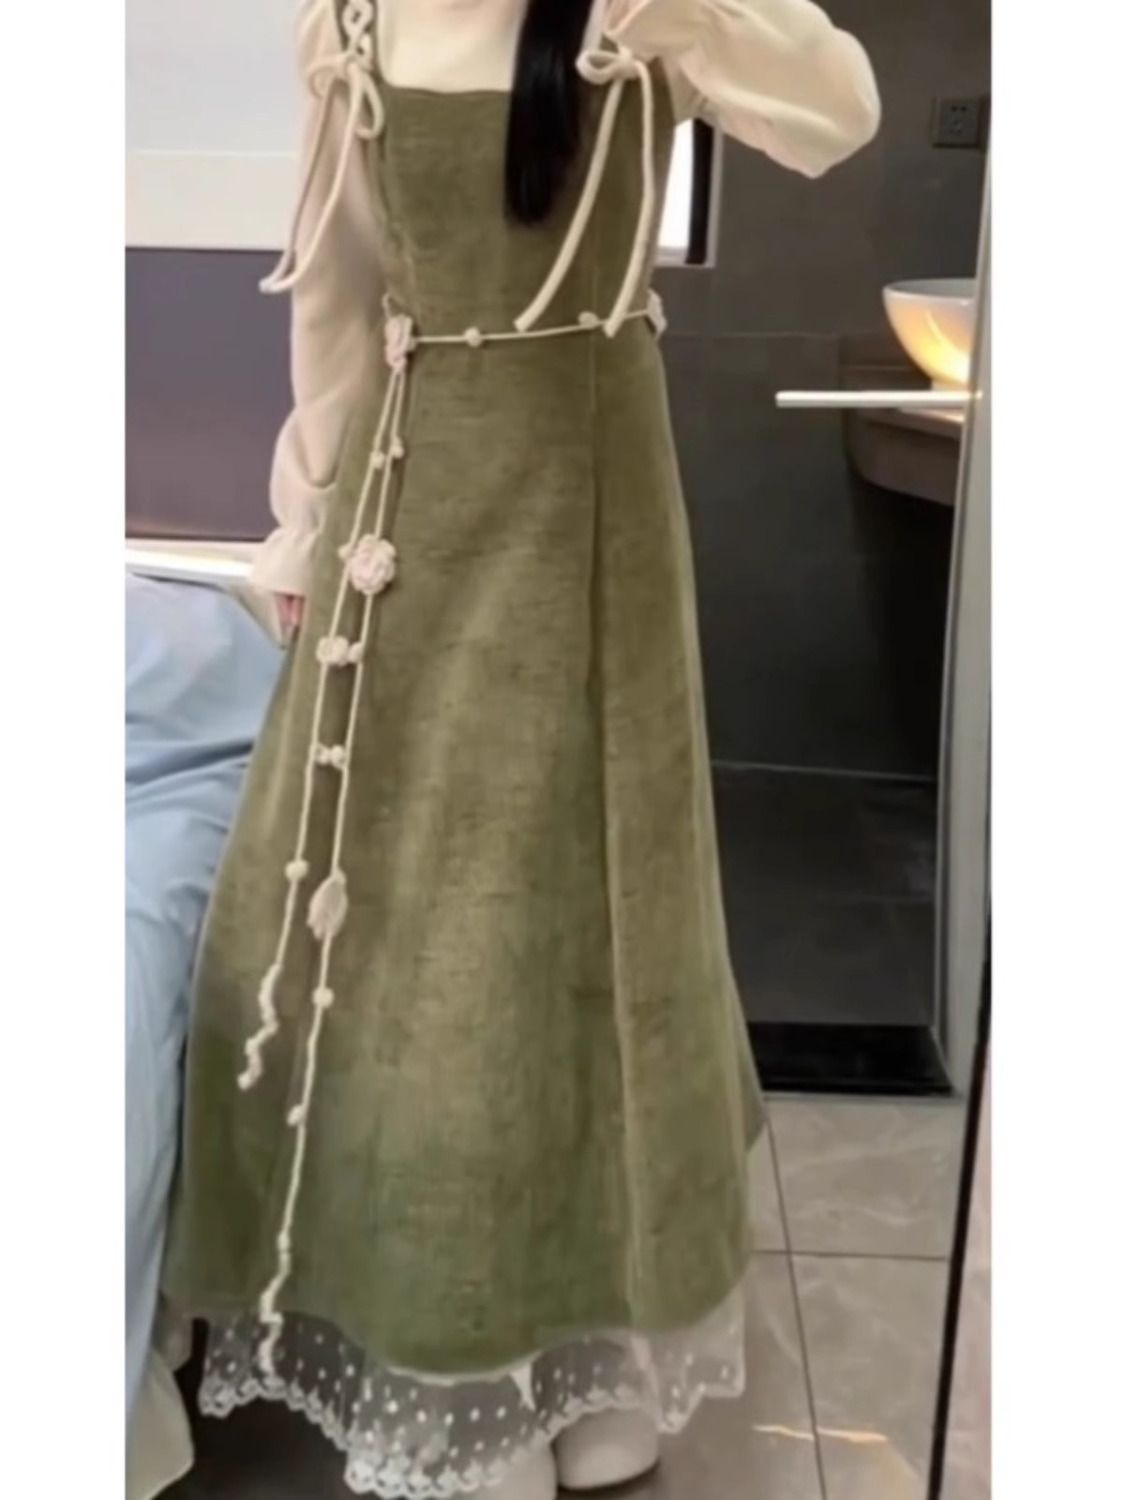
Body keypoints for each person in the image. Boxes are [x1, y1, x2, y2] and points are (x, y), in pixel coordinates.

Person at [162, 2, 879, 1496]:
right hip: (410, 514)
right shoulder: (354, 25)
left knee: (599, 921)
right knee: (437, 935)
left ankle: (598, 1354)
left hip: (596, 508)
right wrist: (303, 522)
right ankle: (455, 1363)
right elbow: (338, 300)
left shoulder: (637, 20)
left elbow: (838, 112)